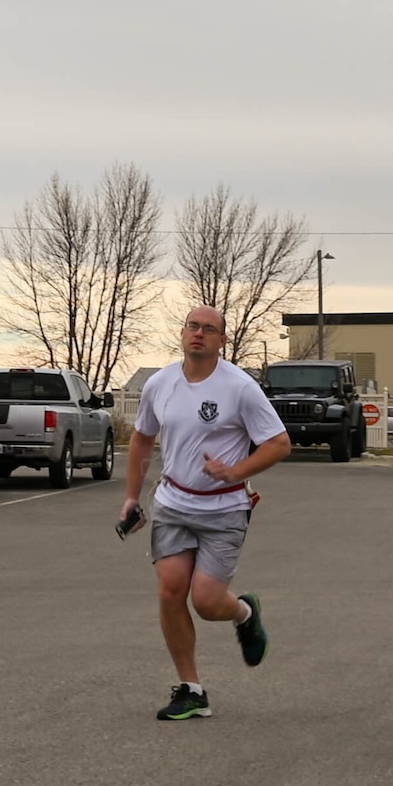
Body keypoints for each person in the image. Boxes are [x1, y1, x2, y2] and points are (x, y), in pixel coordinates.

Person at [122, 306, 294, 721]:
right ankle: (191, 689)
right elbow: (142, 440)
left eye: (209, 329)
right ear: (182, 333)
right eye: (192, 326)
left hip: (225, 508)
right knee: (170, 590)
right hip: (173, 504)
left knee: (207, 601)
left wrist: (235, 471)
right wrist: (131, 498)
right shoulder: (159, 384)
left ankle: (245, 613)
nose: (198, 334)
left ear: (221, 341)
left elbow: (279, 444)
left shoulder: (240, 387)